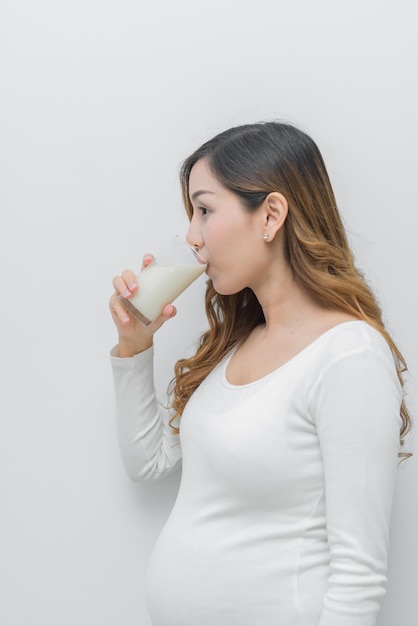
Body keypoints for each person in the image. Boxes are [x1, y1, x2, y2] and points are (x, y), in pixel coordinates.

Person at [109, 122, 411, 626]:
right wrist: (133, 345)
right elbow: (149, 464)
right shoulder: (236, 344)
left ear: (271, 214)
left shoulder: (349, 356)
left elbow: (358, 578)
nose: (191, 236)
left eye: (204, 210)